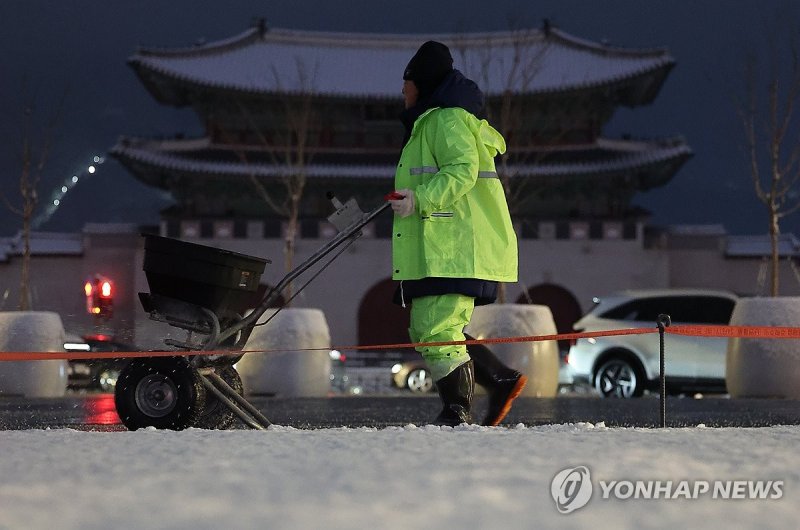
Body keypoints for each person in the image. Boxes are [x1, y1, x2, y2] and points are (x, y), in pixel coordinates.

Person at [388, 41, 527, 426]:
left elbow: (462, 169)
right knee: (429, 328)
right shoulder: (431, 121)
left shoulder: (445, 120)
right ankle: (498, 380)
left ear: (423, 83)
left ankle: (456, 411)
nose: (403, 90)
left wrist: (421, 200)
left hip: (453, 247)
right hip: (442, 246)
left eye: (407, 82)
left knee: (438, 328)